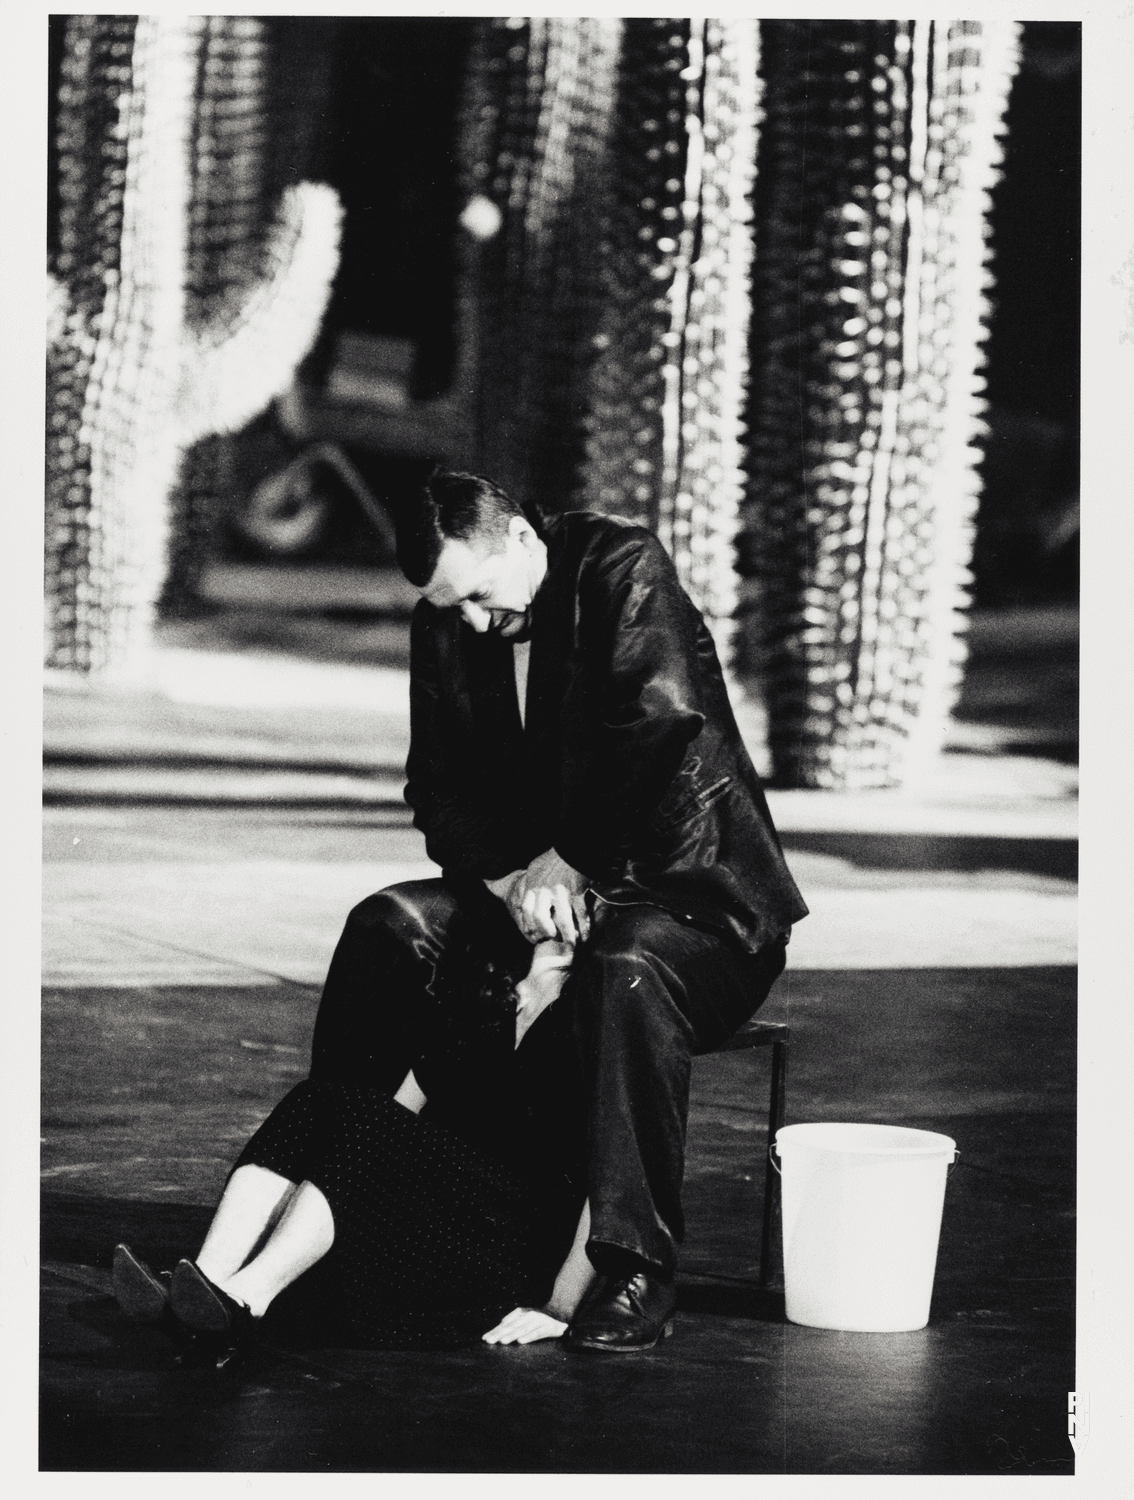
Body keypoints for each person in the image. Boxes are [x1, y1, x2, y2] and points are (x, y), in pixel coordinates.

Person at [306, 470, 808, 1352]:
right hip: (540, 889)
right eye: (447, 604)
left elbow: (661, 730)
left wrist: (572, 862)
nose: (468, 622)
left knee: (627, 969)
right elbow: (437, 787)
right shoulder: (449, 615)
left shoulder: (619, 565)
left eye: (480, 596)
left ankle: (632, 1268)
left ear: (526, 543)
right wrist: (507, 881)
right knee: (387, 929)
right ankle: (337, 1201)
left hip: (693, 901)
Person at [113, 934, 595, 1357]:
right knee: (319, 1099)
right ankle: (206, 1283)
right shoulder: (486, 986)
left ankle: (245, 1302)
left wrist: (561, 1304)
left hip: (508, 1241)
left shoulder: (601, 1001)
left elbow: (615, 1172)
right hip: (444, 1214)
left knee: (365, 1117)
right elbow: (399, 1112)